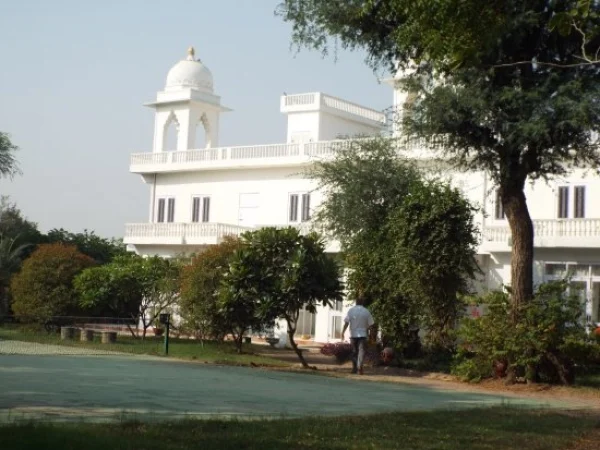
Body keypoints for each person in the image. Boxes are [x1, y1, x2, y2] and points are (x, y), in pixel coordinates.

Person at [341, 295, 375, 375]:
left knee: (354, 352)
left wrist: (343, 332)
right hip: (363, 335)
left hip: (353, 334)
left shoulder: (351, 311)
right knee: (361, 351)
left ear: (356, 302)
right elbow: (371, 325)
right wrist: (372, 335)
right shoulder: (366, 311)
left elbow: (346, 322)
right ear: (363, 302)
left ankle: (354, 368)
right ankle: (359, 366)